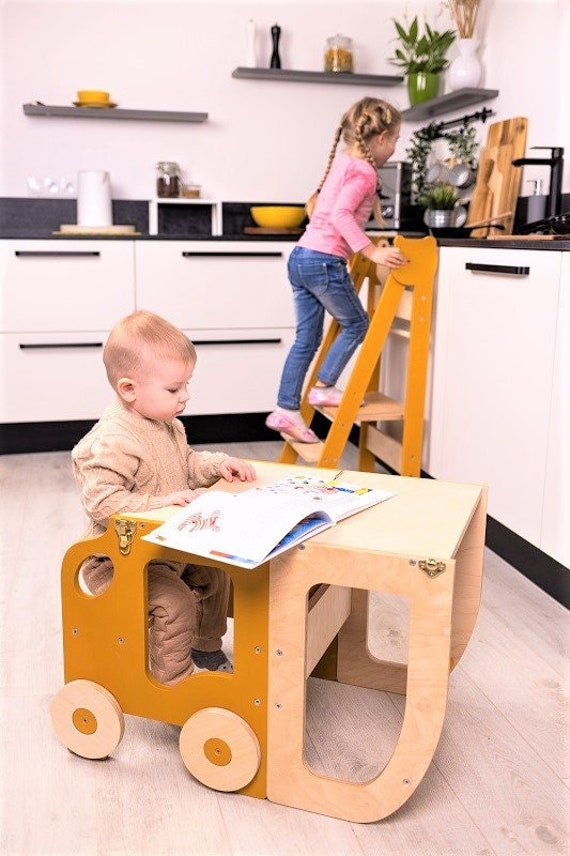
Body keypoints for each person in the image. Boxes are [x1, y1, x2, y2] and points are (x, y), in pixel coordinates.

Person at [72, 309, 256, 684]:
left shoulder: (167, 423)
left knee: (216, 573)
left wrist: (216, 466)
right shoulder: (112, 440)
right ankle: (174, 681)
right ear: (129, 389)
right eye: (174, 389)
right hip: (118, 560)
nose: (185, 396)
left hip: (163, 549)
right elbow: (102, 502)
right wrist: (166, 502)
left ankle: (205, 649)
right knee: (175, 603)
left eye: (187, 385)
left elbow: (184, 463)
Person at [266, 96, 408, 443]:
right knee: (358, 324)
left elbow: (323, 211)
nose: (394, 148)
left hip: (301, 257)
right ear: (381, 138)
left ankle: (286, 410)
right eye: (395, 141)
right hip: (323, 261)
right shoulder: (364, 172)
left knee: (307, 339)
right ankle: (325, 388)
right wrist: (371, 251)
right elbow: (341, 215)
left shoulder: (345, 163)